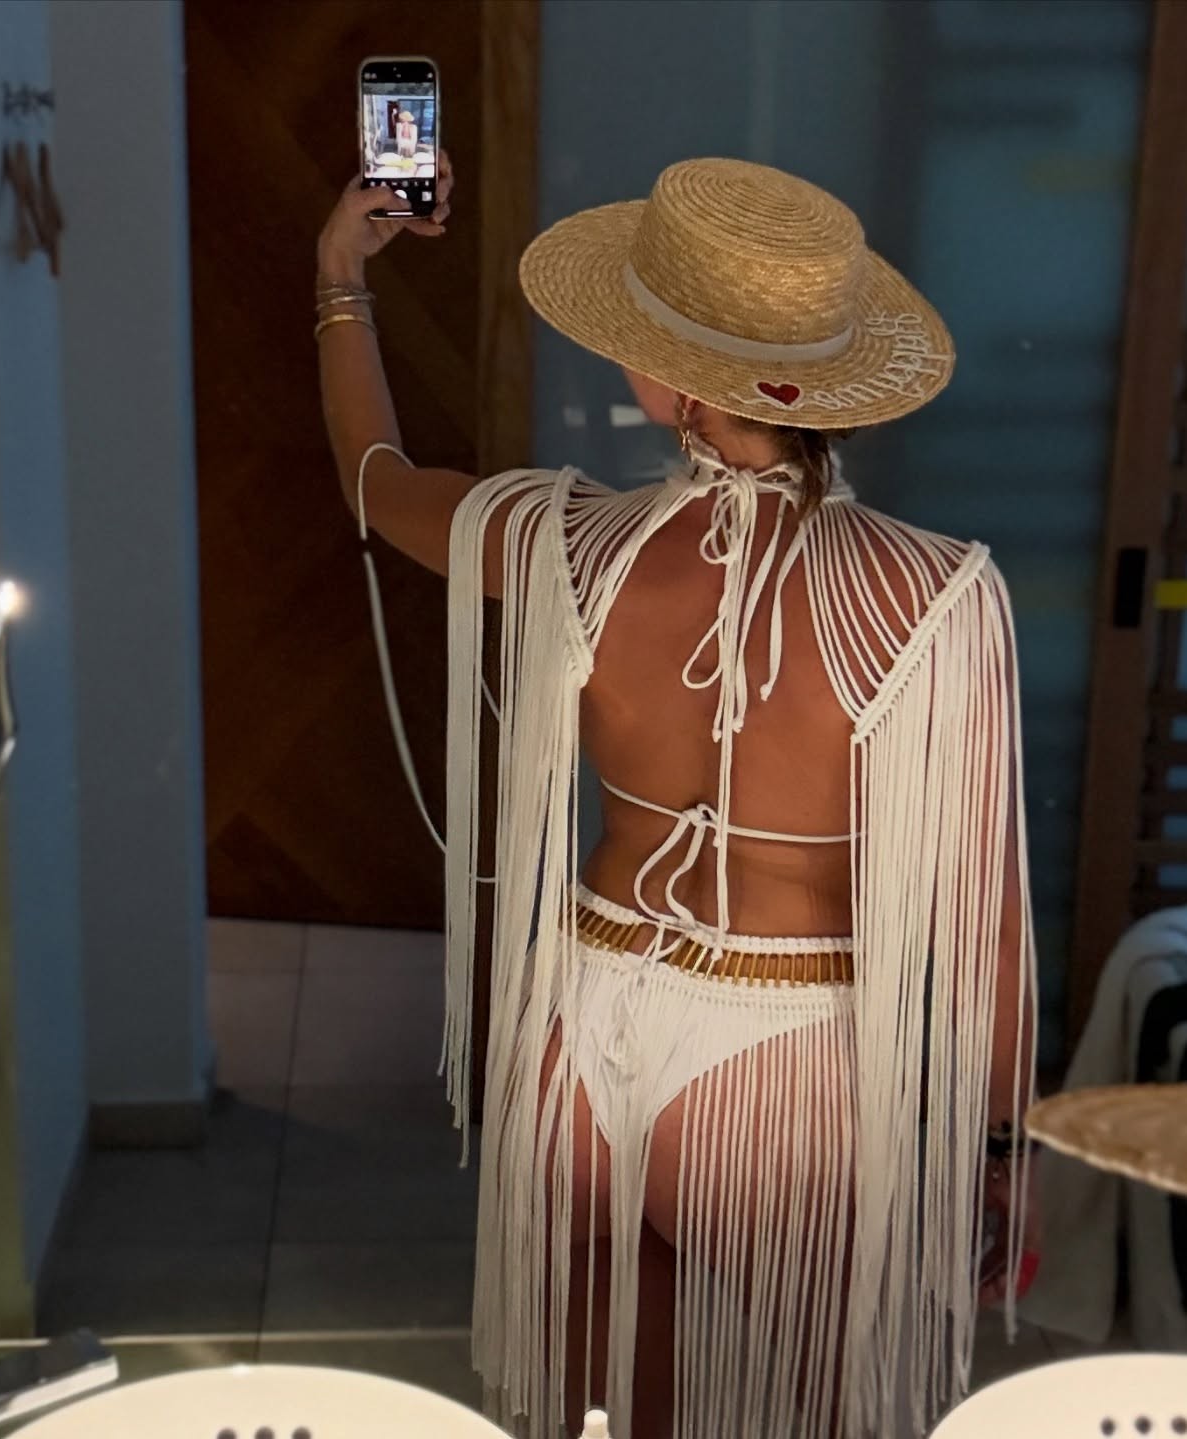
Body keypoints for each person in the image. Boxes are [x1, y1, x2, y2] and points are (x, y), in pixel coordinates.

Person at [315, 154, 1037, 1439]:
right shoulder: (937, 597)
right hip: (786, 1068)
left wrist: (339, 279)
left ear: (671, 386)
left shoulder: (567, 542)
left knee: (605, 1417)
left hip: (578, 1034)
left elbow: (374, 477)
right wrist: (1001, 1151)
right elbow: (984, 931)